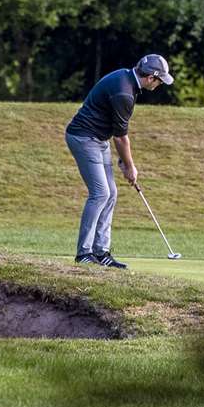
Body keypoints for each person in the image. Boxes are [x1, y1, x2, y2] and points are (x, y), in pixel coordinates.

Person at [65, 53, 173, 268]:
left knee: (111, 193)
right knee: (100, 193)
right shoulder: (124, 92)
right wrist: (130, 166)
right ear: (151, 77)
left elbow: (116, 132)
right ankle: (84, 253)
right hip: (84, 138)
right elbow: (121, 138)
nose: (160, 84)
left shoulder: (126, 79)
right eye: (160, 80)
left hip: (98, 138)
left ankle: (101, 252)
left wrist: (124, 162)